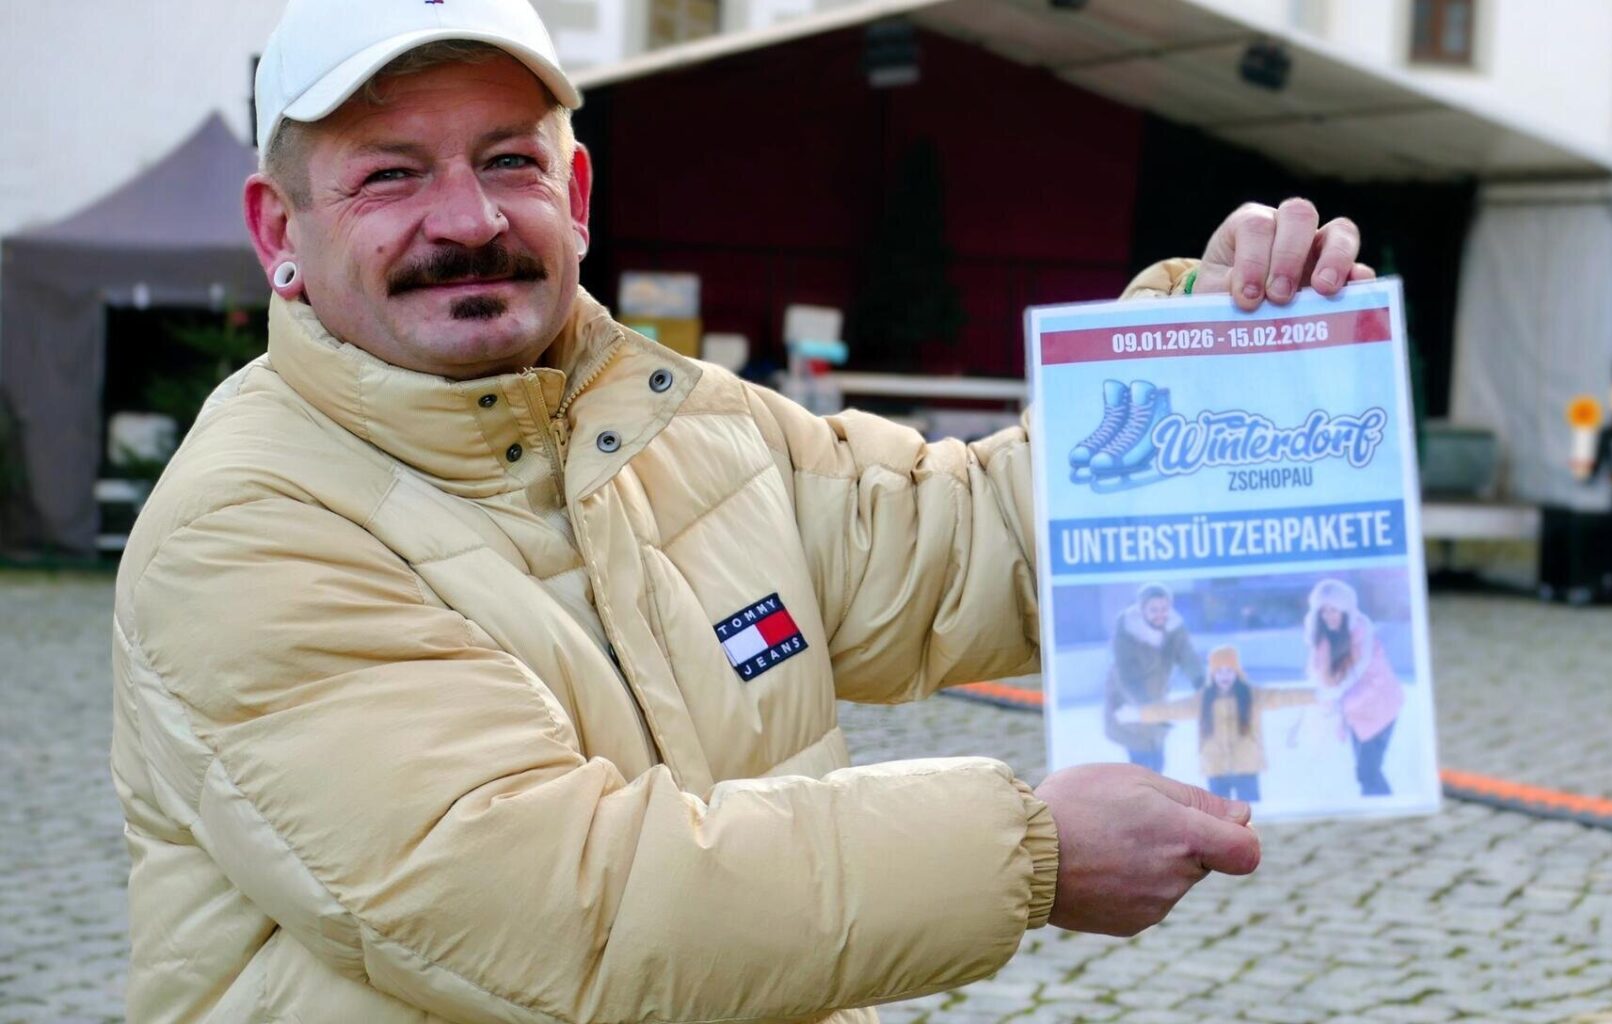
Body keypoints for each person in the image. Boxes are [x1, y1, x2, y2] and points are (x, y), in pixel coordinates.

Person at [107, 1, 1376, 1020]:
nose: (471, 219)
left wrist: (1204, 344)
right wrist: (1029, 851)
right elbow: (556, 907)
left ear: (580, 194)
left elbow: (970, 547)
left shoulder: (690, 421)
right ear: (280, 227)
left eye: (510, 161)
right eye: (390, 176)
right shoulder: (245, 524)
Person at [1123, 645, 1316, 802]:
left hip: (1246, 766)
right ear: (1212, 674)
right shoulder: (1203, 699)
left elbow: (1284, 696)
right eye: (1219, 671)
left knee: (1251, 817)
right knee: (1219, 821)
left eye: (1229, 670)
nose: (1224, 675)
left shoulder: (1252, 695)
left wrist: (1317, 696)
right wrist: (1140, 714)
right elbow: (1172, 709)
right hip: (1215, 768)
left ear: (1237, 672)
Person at [1303, 579, 1406, 797]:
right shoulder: (1324, 642)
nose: (1329, 616)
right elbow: (1322, 678)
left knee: (1368, 771)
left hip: (1382, 709)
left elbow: (1377, 682)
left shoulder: (1364, 637)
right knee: (1363, 772)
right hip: (1355, 715)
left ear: (1346, 610)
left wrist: (1340, 703)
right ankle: (1377, 806)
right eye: (1324, 611)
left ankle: (1383, 808)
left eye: (1335, 610)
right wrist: (1325, 696)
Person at [1102, 583, 1205, 773]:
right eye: (1154, 609)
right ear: (1142, 609)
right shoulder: (1127, 630)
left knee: (1157, 759)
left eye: (1164, 608)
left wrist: (1198, 679)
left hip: (1156, 696)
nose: (1160, 614)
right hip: (1127, 698)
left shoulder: (1174, 626)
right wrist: (1147, 706)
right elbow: (1126, 674)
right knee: (1141, 758)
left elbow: (1186, 654)